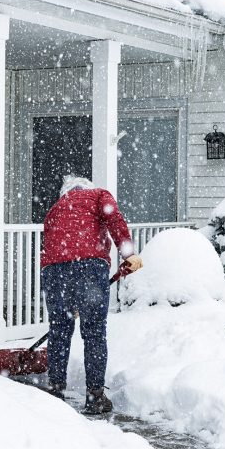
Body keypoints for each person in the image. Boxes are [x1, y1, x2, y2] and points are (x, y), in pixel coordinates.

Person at [40, 175, 143, 414]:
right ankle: (95, 396)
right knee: (94, 332)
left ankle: (55, 390)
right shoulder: (98, 195)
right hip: (89, 268)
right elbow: (115, 220)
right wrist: (128, 255)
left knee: (59, 330)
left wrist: (66, 293)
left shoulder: (55, 209)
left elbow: (51, 245)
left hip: (54, 272)